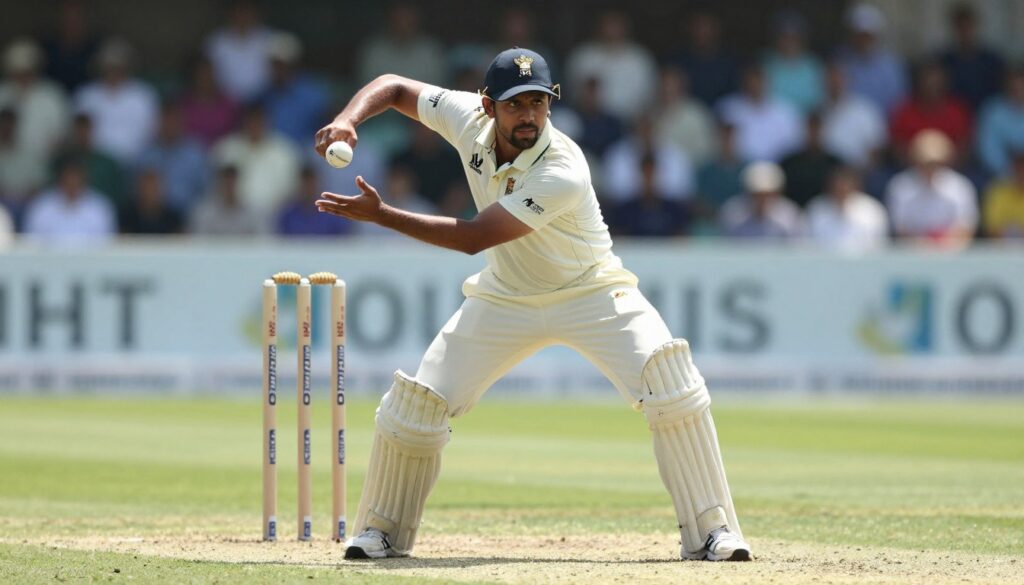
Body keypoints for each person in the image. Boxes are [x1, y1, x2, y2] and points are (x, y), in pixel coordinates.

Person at [313, 48, 750, 562]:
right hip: (506, 294)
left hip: (591, 290)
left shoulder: (562, 167)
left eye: (539, 103)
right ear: (487, 105)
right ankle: (381, 531)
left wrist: (384, 216)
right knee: (416, 405)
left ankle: (712, 532)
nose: (529, 116)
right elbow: (392, 85)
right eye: (516, 105)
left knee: (670, 381)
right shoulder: (464, 116)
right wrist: (346, 120)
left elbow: (475, 237)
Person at [885, 130, 977, 247]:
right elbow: (901, 229)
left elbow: (966, 227)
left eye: (936, 163)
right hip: (912, 254)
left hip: (953, 255)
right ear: (915, 161)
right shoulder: (900, 187)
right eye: (925, 163)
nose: (931, 169)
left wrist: (945, 245)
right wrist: (924, 246)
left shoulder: (960, 186)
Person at [805, 166, 889, 252]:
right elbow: (805, 243)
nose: (842, 188)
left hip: (863, 262)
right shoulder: (816, 208)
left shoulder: (872, 209)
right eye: (837, 185)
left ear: (856, 185)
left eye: (845, 184)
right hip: (822, 262)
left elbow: (878, 245)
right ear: (829, 186)